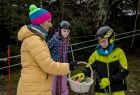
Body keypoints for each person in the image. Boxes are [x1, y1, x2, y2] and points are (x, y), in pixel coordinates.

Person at [17, 4, 76, 95]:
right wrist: (68, 66)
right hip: (33, 89)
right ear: (41, 22)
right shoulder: (35, 40)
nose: (51, 24)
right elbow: (48, 65)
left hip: (36, 86)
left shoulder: (37, 38)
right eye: (49, 21)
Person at [82, 26, 129, 95]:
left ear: (111, 39)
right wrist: (83, 73)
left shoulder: (119, 52)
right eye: (100, 42)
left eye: (104, 41)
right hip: (101, 88)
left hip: (117, 87)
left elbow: (124, 71)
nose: (102, 44)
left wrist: (110, 80)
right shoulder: (96, 54)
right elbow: (89, 67)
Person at [48, 21, 71, 95]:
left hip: (63, 66)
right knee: (53, 85)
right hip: (54, 66)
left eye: (68, 31)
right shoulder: (54, 39)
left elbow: (65, 53)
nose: (66, 33)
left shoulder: (67, 41)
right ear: (60, 30)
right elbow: (46, 49)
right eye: (64, 31)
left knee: (63, 84)